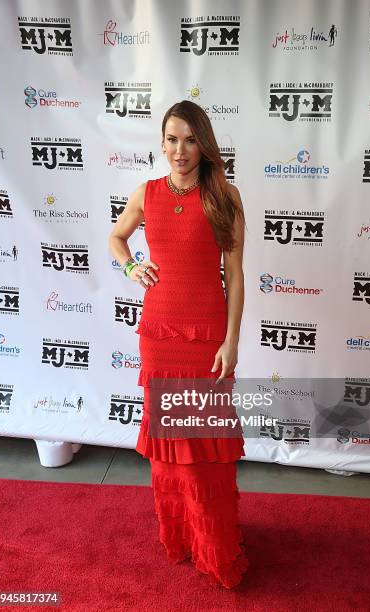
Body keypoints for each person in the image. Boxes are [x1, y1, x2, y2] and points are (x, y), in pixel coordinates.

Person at [108, 100, 248, 589]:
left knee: (205, 453)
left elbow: (235, 274)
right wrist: (129, 266)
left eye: (189, 139)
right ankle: (181, 538)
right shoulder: (145, 194)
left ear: (203, 144)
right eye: (171, 139)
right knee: (169, 451)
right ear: (161, 142)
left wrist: (231, 340)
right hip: (160, 336)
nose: (179, 150)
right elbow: (116, 238)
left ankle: (214, 545)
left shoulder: (224, 196)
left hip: (206, 338)